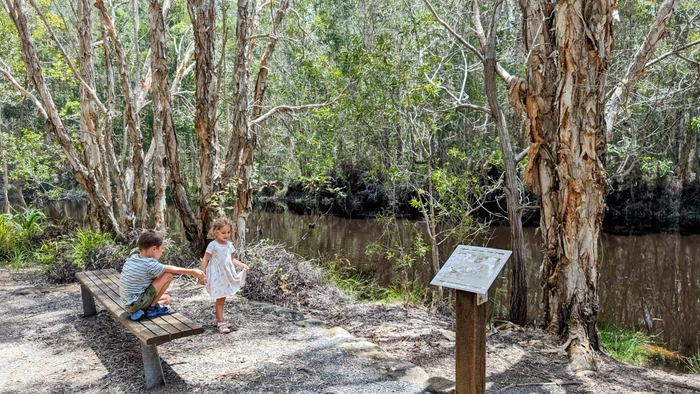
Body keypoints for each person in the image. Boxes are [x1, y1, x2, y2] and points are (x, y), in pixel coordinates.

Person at [120, 229, 206, 321]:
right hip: (136, 302)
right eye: (162, 248)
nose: (162, 252)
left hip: (127, 304)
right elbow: (170, 269)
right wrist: (192, 272)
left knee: (167, 298)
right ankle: (150, 309)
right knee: (168, 275)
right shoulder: (150, 263)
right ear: (153, 249)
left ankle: (140, 312)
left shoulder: (134, 258)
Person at [200, 218, 249, 334]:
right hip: (217, 274)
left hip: (226, 275)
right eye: (223, 232)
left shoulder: (230, 245)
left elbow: (232, 259)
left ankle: (218, 319)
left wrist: (242, 265)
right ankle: (221, 323)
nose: (226, 235)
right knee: (220, 298)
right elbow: (205, 259)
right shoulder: (213, 245)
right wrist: (202, 274)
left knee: (222, 298)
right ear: (216, 232)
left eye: (228, 232)